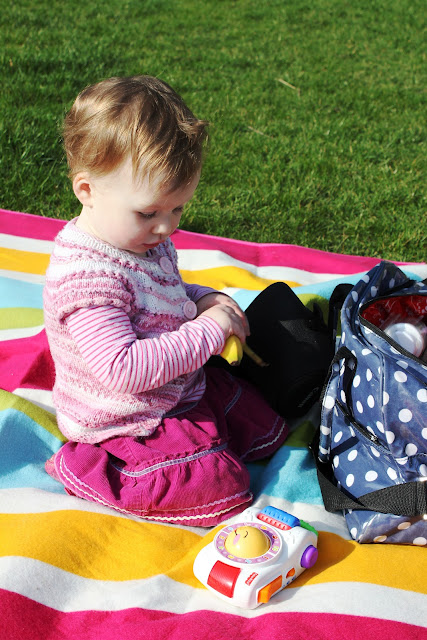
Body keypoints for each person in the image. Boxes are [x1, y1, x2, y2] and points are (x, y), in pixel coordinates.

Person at [43, 75, 288, 526]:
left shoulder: (139, 240)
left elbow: (163, 293)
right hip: (126, 421)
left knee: (264, 424)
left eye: (178, 209)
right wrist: (208, 331)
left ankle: (201, 433)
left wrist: (204, 299)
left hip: (174, 387)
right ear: (87, 190)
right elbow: (124, 370)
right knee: (221, 485)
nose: (167, 227)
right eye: (149, 212)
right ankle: (93, 469)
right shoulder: (87, 280)